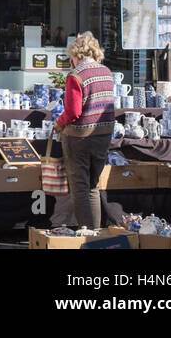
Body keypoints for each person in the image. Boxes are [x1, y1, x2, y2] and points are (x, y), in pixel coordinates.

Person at [54, 31, 116, 229]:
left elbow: (73, 111)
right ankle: (95, 233)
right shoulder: (106, 71)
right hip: (104, 135)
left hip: (79, 137)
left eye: (70, 56)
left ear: (76, 54)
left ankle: (86, 233)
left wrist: (59, 123)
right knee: (93, 187)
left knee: (80, 188)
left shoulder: (76, 75)